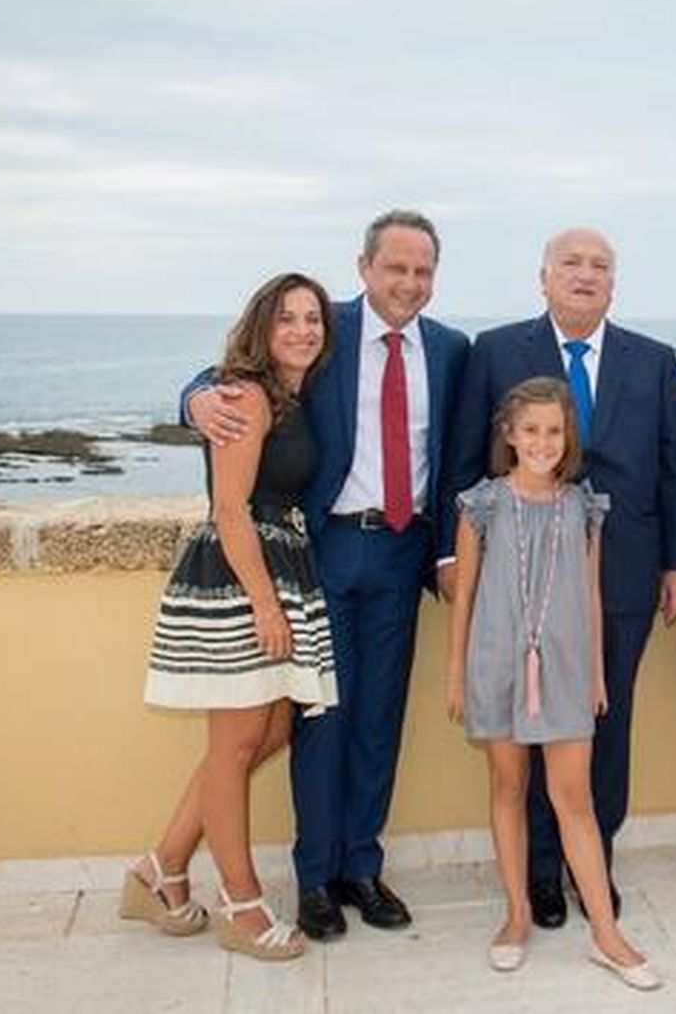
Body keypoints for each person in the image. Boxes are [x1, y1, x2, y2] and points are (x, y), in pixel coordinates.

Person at [184, 211, 470, 940]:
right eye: (395, 267)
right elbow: (239, 373)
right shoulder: (324, 328)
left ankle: (360, 867)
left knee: (379, 718)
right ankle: (314, 877)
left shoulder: (452, 349)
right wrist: (192, 399)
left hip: (404, 553)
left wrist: (444, 551)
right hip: (325, 552)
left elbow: (460, 454)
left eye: (422, 270)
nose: (409, 282)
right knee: (323, 720)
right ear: (365, 267)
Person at [442, 228, 676, 929]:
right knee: (524, 729)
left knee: (600, 719)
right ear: (544, 277)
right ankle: (540, 874)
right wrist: (448, 555)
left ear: (614, 283)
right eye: (571, 264)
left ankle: (595, 864)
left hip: (621, 575)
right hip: (515, 579)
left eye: (601, 266)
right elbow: (463, 460)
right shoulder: (494, 351)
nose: (585, 275)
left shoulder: (653, 361)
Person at [124, 272, 338, 961]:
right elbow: (230, 508)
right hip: (240, 576)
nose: (303, 329)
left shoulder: (290, 395)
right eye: (287, 319)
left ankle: (160, 868)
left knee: (263, 731)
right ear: (261, 328)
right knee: (240, 739)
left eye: (313, 318)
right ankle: (240, 906)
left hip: (277, 566)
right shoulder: (243, 392)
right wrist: (267, 605)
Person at [446, 378, 661, 990]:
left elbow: (590, 594)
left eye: (554, 431)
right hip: (497, 664)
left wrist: (594, 669)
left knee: (575, 800)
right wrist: (457, 672)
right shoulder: (482, 505)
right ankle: (515, 915)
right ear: (509, 435)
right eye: (531, 430)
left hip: (565, 669)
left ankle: (607, 935)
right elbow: (464, 597)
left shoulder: (581, 505)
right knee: (509, 787)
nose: (543, 441)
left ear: (569, 437)